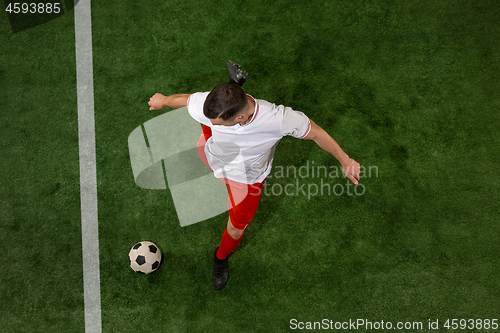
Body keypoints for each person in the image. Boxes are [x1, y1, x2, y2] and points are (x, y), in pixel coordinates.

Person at [148, 83, 360, 290]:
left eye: (219, 122)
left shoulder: (278, 120)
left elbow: (316, 133)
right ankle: (234, 85)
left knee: (236, 228)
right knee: (208, 128)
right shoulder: (209, 107)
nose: (214, 123)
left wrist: (345, 160)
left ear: (240, 118)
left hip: (246, 180)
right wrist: (163, 101)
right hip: (212, 155)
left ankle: (220, 258)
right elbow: (186, 100)